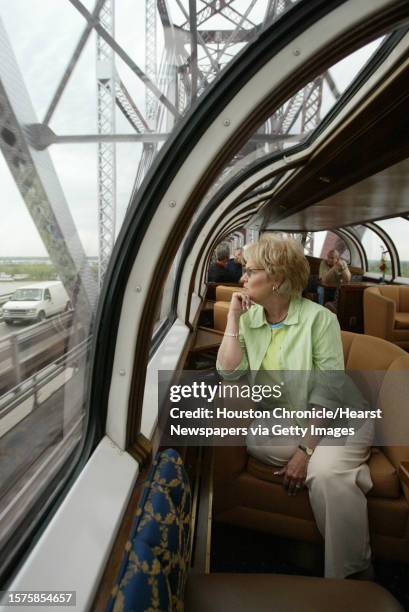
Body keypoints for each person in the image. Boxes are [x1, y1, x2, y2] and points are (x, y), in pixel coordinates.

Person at [216, 235, 373, 580]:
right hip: (288, 420)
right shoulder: (250, 319)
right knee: (257, 440)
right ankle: (351, 474)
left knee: (325, 474)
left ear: (277, 277)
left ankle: (351, 580)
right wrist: (232, 320)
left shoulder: (320, 319)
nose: (241, 279)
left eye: (250, 271)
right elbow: (229, 372)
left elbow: (329, 393)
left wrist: (305, 450)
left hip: (339, 418)